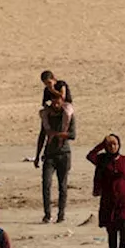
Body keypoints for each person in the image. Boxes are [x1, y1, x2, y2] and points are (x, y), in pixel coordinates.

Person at [35, 92, 76, 223]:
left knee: (62, 186)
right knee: (46, 184)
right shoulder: (46, 116)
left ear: (62, 100)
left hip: (63, 154)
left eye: (57, 99)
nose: (55, 102)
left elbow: (73, 134)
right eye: (53, 100)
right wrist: (37, 156)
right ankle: (47, 214)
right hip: (49, 155)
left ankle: (61, 215)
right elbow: (42, 136)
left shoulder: (68, 115)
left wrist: (57, 134)